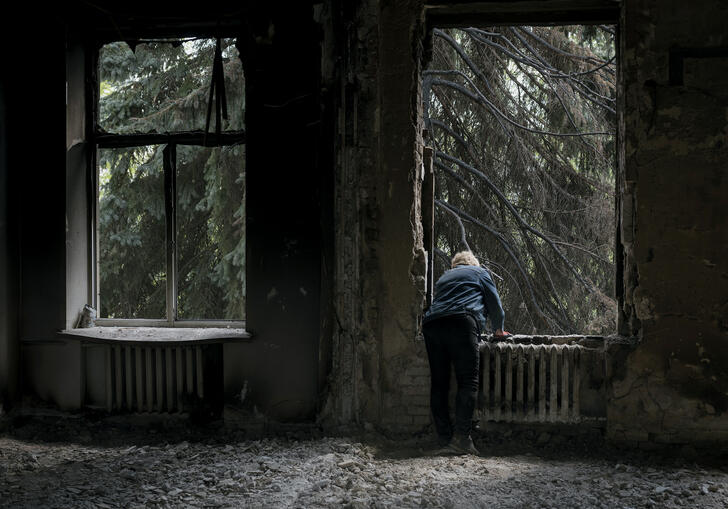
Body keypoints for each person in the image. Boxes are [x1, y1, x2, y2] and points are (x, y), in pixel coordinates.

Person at [423, 250, 510, 455]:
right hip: (461, 322)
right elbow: (495, 305)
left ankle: (444, 438)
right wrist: (499, 329)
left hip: (432, 324)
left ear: (455, 265)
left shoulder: (444, 277)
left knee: (439, 383)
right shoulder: (479, 273)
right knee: (468, 381)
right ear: (473, 263)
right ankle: (462, 439)